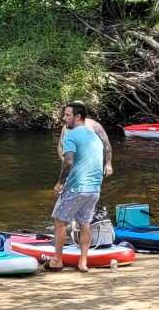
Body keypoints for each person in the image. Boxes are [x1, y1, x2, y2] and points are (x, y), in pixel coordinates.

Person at [50, 102, 104, 273]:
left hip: (76, 187)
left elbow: (68, 161)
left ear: (78, 117)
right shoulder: (94, 136)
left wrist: (60, 182)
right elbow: (102, 158)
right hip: (94, 188)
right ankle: (83, 262)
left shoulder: (71, 135)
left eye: (67, 115)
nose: (64, 118)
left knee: (60, 222)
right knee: (85, 223)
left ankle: (57, 260)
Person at [56, 101, 113, 177]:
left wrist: (108, 164)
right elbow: (60, 146)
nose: (65, 117)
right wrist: (64, 160)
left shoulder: (95, 126)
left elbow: (106, 144)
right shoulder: (66, 127)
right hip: (72, 167)